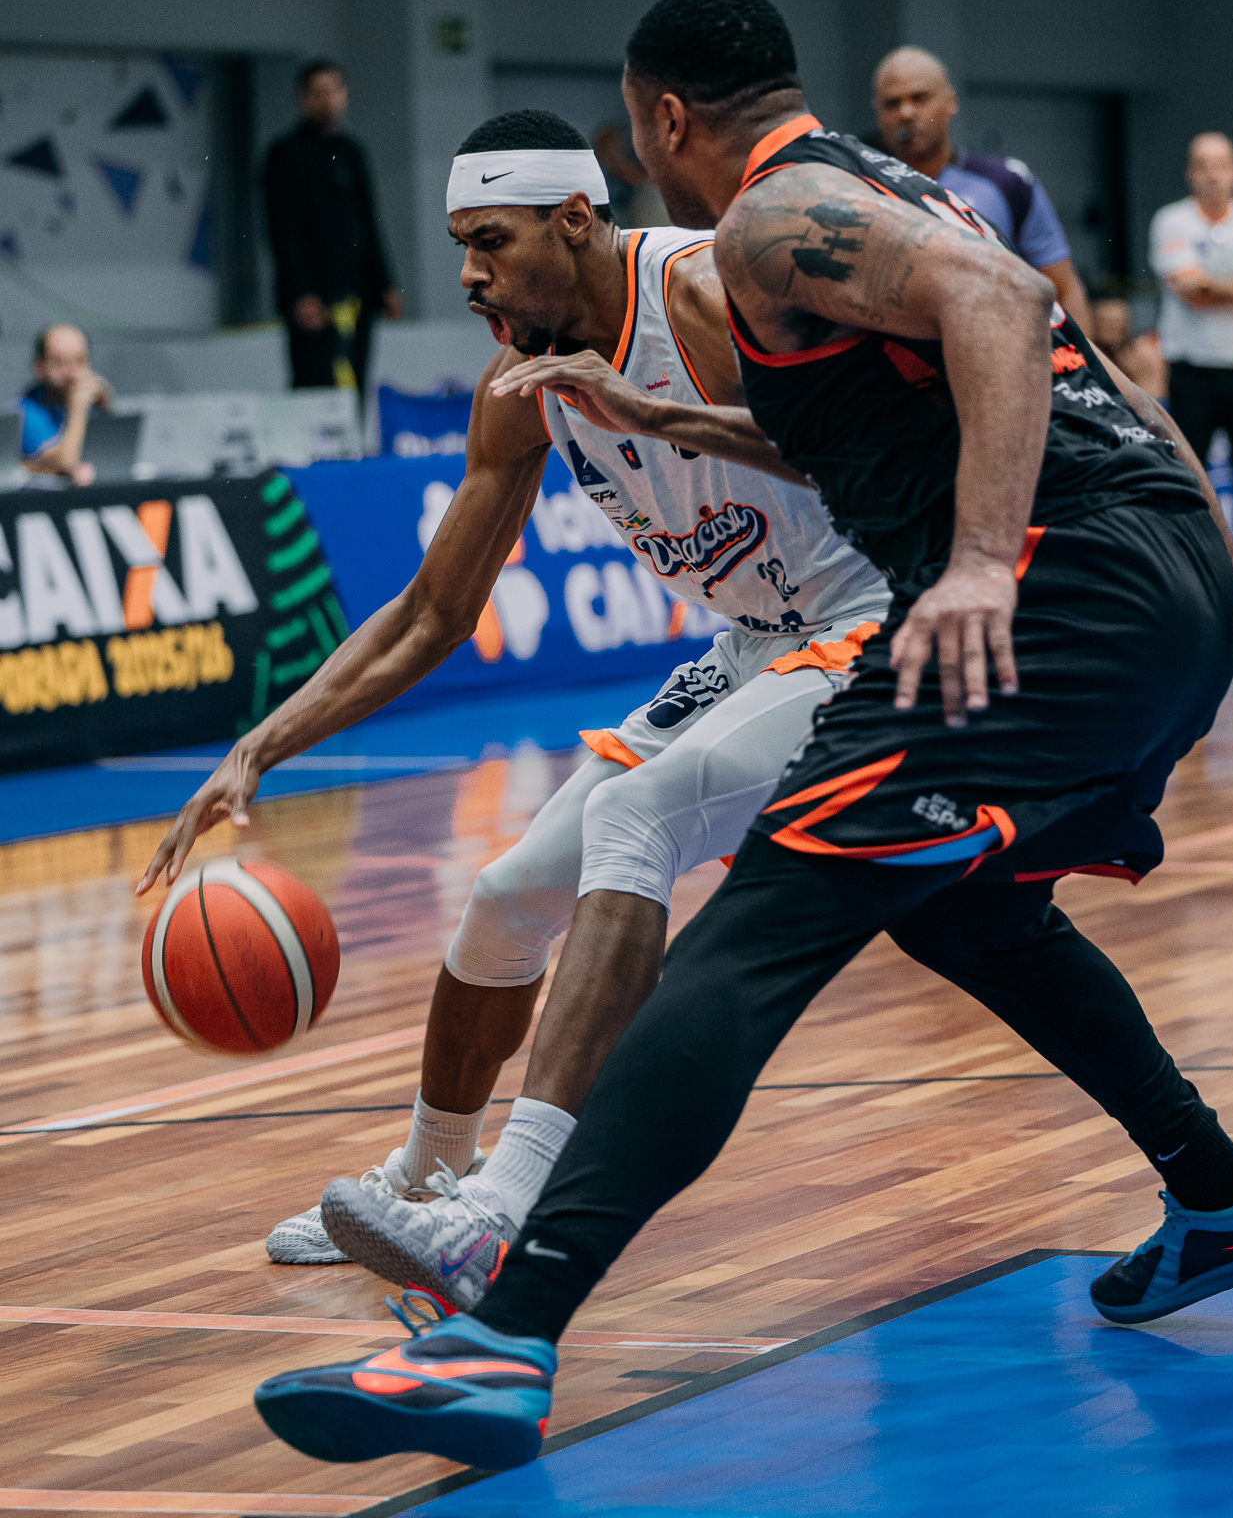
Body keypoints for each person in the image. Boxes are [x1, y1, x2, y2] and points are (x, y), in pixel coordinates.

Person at [254, 0, 1233, 1474]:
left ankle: (501, 1327)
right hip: (1151, 590)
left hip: (1049, 589)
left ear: (661, 120)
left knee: (753, 927)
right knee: (969, 912)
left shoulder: (771, 219)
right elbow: (1105, 387)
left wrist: (982, 560)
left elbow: (1008, 307)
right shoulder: (873, 198)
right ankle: (1222, 1197)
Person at [140, 107, 888, 1274]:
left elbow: (861, 441)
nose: (467, 273)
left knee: (635, 819)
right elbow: (431, 613)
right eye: (460, 244)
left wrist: (649, 409)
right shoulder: (518, 388)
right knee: (504, 894)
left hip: (876, 619)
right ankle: (428, 1175)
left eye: (490, 239)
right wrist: (259, 745)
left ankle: (506, 1207)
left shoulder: (701, 294)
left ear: (576, 219)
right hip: (757, 639)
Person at [871, 46, 1092, 334]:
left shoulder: (1007, 182)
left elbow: (1064, 289)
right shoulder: (859, 187)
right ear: (878, 113)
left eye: (920, 98)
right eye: (892, 103)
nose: (906, 112)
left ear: (950, 101)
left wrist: (1085, 361)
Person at [1150, 134, 1233, 570]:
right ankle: (1195, 572)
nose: (1212, 174)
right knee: (1190, 478)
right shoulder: (1171, 221)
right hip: (1192, 371)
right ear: (1190, 173)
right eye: (1203, 165)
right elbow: (1190, 292)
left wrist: (1211, 282)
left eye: (1221, 164)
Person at [263, 59, 404, 397]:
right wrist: (300, 292)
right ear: (303, 98)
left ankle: (353, 435)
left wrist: (385, 283)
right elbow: (283, 230)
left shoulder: (351, 152)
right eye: (318, 92)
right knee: (315, 384)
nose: (327, 99)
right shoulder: (285, 154)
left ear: (344, 95)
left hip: (358, 290)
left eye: (334, 90)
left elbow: (369, 221)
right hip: (315, 295)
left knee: (355, 381)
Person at [18, 324, 112, 482]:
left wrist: (107, 409)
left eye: (80, 361)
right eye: (59, 363)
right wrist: (78, 408)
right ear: (39, 367)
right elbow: (66, 464)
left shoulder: (95, 405)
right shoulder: (24, 412)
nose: (72, 373)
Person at [1088, 296, 1167, 398]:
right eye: (1105, 322)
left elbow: (1153, 394)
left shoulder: (1138, 353)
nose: (1112, 327)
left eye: (1117, 323)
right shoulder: (1085, 353)